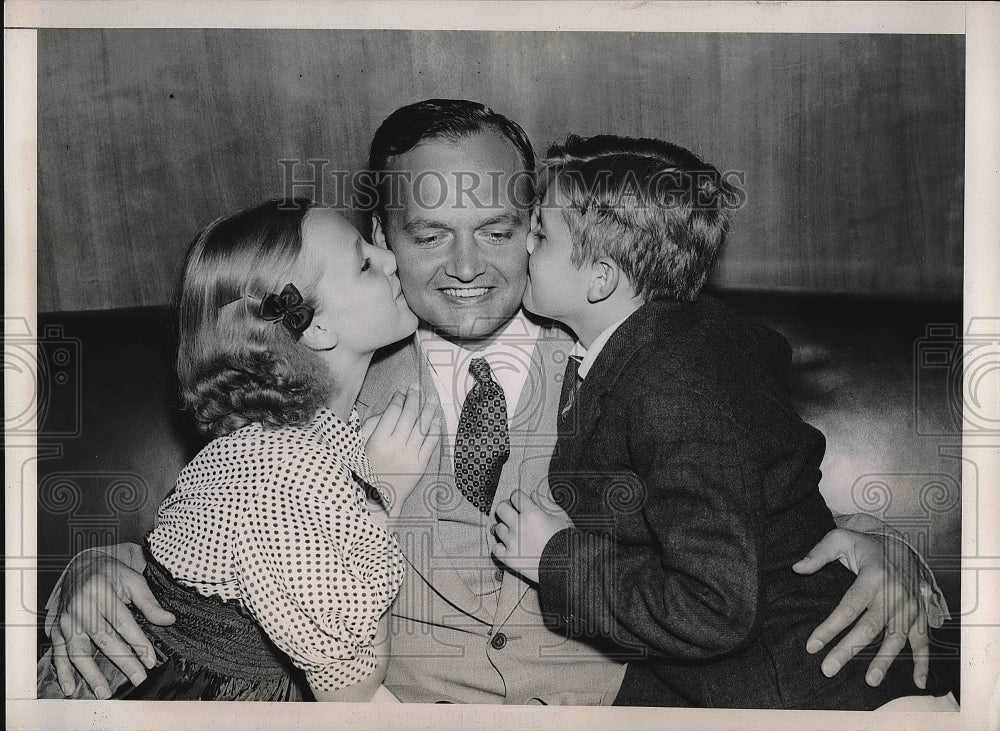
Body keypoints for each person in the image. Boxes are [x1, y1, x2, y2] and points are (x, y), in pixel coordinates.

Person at [42, 99, 948, 705]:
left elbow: (752, 492)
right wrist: (93, 568)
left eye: (501, 231)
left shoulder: (647, 354)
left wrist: (887, 548)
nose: (467, 267)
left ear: (544, 231)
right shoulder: (320, 385)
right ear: (380, 242)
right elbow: (233, 518)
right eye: (430, 234)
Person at [491, 134, 955, 708]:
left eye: (539, 235)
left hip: (803, 690)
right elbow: (764, 353)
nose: (520, 248)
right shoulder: (691, 328)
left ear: (602, 279)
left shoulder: (671, 390)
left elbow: (716, 607)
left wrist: (555, 557)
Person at [39, 199, 440, 701]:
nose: (390, 259)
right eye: (364, 262)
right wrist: (385, 501)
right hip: (191, 690)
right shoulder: (284, 472)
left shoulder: (289, 434)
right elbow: (350, 692)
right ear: (314, 328)